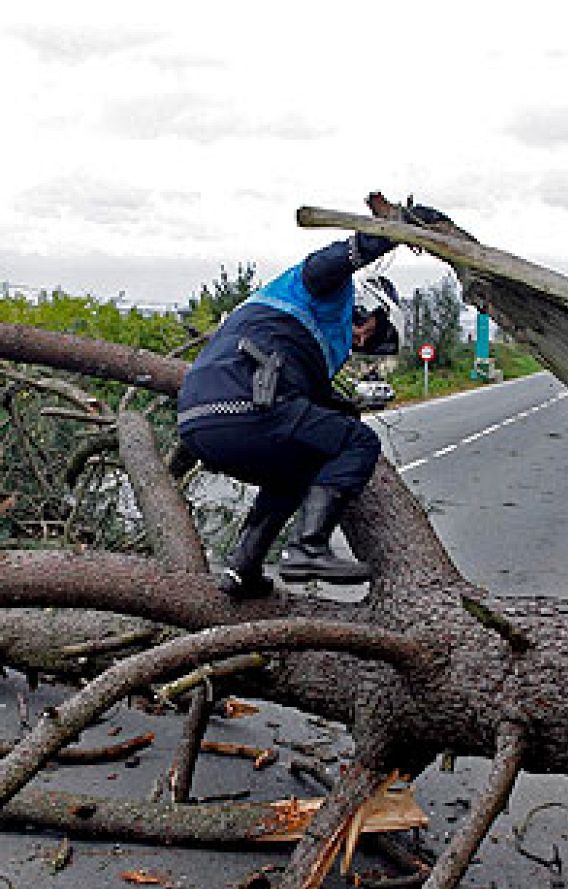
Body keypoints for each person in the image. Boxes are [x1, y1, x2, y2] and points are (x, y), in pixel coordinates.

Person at [176, 197, 446, 598]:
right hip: (248, 408)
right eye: (370, 330)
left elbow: (313, 403)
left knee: (296, 469)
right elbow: (336, 259)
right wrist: (402, 229)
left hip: (198, 423)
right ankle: (308, 547)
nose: (361, 340)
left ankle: (242, 570)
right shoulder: (324, 290)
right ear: (368, 305)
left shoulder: (282, 324)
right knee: (359, 442)